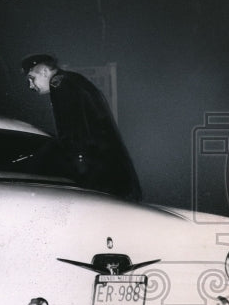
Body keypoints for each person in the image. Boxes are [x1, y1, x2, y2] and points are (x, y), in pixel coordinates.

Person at [21, 53, 143, 201]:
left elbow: (72, 132)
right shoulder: (72, 80)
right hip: (111, 167)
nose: (30, 85)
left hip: (98, 170)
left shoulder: (60, 86)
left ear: (44, 72)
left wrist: (75, 165)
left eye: (31, 78)